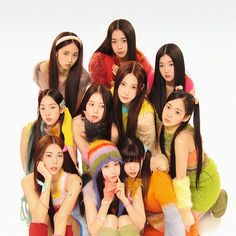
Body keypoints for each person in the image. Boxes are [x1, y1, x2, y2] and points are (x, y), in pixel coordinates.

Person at [154, 88, 227, 231]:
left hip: (203, 184)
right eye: (168, 106)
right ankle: (214, 200)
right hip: (188, 183)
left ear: (186, 117)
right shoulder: (165, 126)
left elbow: (181, 179)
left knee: (179, 225)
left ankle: (216, 198)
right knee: (161, 214)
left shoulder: (182, 138)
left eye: (177, 112)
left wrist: (185, 212)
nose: (169, 114)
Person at [119, 137, 193, 236]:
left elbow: (173, 215)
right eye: (127, 162)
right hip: (151, 227)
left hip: (177, 227)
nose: (132, 167)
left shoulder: (157, 177)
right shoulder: (129, 179)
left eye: (136, 161)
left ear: (143, 158)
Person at [21, 135, 82, 236]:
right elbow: (39, 217)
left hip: (71, 226)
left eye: (59, 155)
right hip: (48, 227)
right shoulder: (28, 181)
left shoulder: (73, 180)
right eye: (49, 156)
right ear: (40, 157)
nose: (55, 161)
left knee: (59, 216)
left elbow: (62, 216)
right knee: (40, 219)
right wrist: (47, 180)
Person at [82, 140, 145, 235]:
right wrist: (105, 203)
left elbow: (140, 225)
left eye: (116, 164)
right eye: (106, 166)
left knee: (124, 220)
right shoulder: (90, 190)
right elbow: (93, 231)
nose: (113, 171)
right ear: (98, 170)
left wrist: (125, 201)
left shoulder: (131, 183)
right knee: (110, 220)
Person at [33, 31, 91, 117]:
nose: (70, 60)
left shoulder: (83, 77)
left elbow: (76, 110)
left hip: (69, 118)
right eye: (65, 54)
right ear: (56, 52)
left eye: (75, 55)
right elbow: (49, 100)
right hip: (46, 115)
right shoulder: (43, 70)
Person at [89, 19, 154, 92]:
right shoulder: (100, 61)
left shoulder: (141, 62)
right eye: (114, 42)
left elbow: (151, 89)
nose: (119, 46)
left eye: (124, 41)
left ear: (131, 40)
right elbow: (96, 94)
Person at [20, 89, 76, 174]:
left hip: (63, 181)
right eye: (43, 108)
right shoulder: (28, 130)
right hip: (38, 180)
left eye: (52, 107)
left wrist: (67, 130)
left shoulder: (68, 129)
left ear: (61, 109)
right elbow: (25, 165)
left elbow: (73, 163)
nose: (47, 113)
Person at [113, 61, 158, 153]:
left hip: (135, 158)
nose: (126, 92)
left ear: (141, 88)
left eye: (133, 87)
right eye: (123, 84)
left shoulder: (145, 118)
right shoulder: (112, 93)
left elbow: (148, 152)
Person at [72, 84, 118, 172]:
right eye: (91, 104)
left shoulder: (113, 131)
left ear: (108, 108)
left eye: (102, 106)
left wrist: (92, 127)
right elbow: (87, 156)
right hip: (87, 174)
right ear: (85, 104)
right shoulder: (77, 123)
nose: (95, 111)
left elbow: (105, 161)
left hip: (107, 173)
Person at [148, 43, 195, 118]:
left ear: (179, 64)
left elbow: (185, 117)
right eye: (161, 65)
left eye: (171, 64)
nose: (166, 70)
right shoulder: (153, 77)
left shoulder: (187, 84)